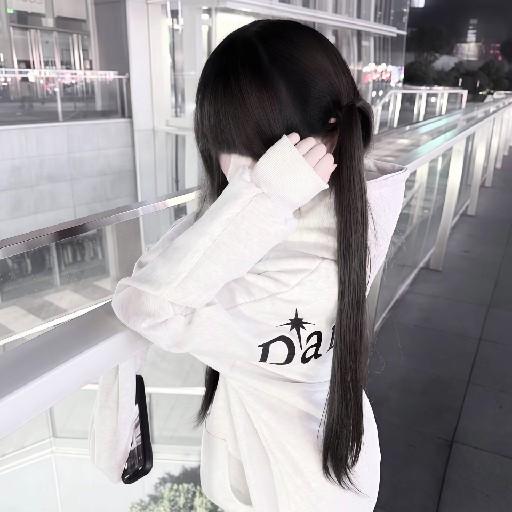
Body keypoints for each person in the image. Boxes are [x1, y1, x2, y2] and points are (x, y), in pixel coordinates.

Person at [89, 18, 411, 511]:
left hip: (288, 490)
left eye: (241, 156)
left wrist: (261, 195)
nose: (229, 169)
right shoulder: (355, 210)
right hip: (327, 470)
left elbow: (146, 301)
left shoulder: (278, 277)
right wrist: (259, 197)